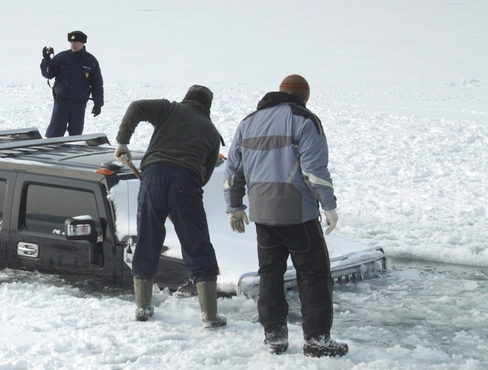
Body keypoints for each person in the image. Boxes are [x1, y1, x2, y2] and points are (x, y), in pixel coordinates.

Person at [223, 74, 348, 357]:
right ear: (303, 95)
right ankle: (316, 340)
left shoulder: (248, 122)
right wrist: (329, 206)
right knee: (313, 274)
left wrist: (234, 207)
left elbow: (233, 171)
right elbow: (314, 170)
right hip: (298, 213)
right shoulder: (304, 119)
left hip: (262, 214)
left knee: (269, 274)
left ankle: (274, 338)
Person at [114, 85, 226, 329]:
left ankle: (143, 308)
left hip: (152, 177)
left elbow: (136, 107)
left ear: (187, 98)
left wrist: (123, 142)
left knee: (147, 239)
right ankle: (210, 315)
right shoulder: (211, 131)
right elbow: (204, 176)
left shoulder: (169, 109)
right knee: (197, 244)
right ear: (208, 107)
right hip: (186, 183)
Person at [40, 30, 104, 138]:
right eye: (71, 42)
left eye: (76, 43)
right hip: (61, 101)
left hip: (79, 103)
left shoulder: (91, 61)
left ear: (83, 43)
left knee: (75, 134)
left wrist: (98, 104)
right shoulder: (62, 57)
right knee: (55, 131)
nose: (73, 45)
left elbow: (97, 84)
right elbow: (48, 75)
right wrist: (47, 60)